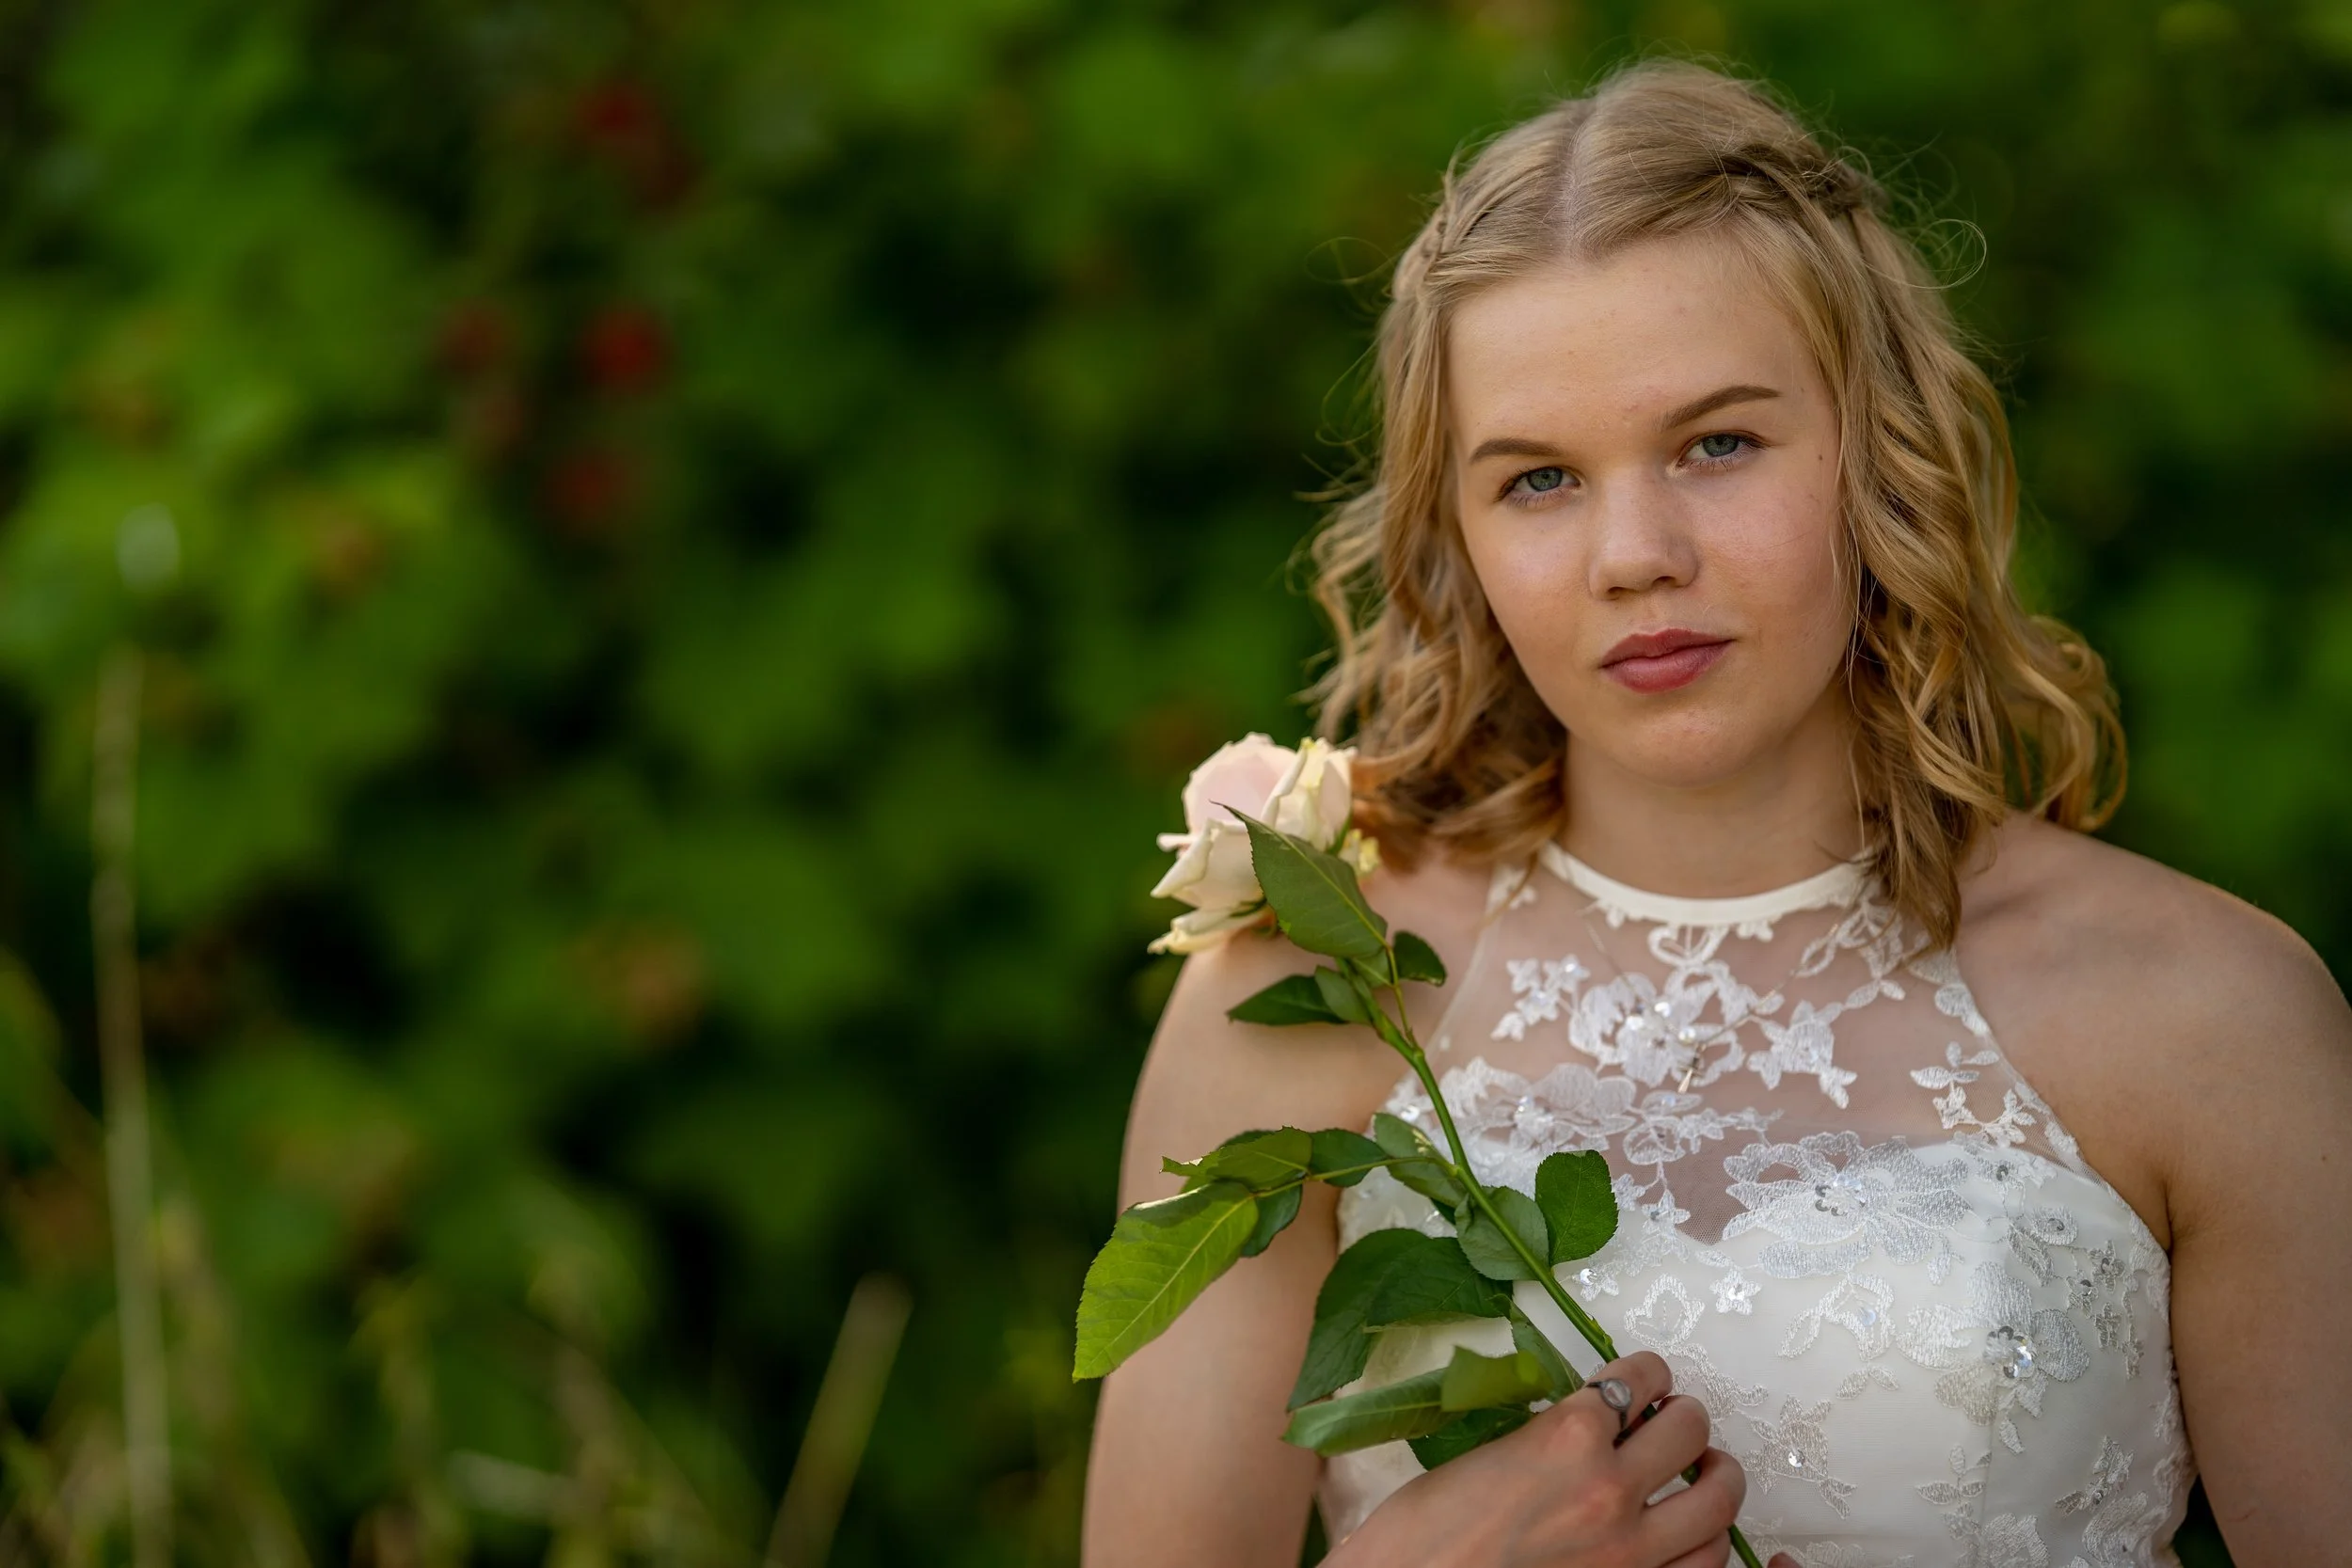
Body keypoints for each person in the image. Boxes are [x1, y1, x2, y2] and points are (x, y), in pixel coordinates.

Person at [1080, 56, 2352, 1568]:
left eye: (1719, 444)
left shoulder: (2207, 1017)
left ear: (1880, 453)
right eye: (1540, 478)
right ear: (1458, 528)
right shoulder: (1301, 1001)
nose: (1635, 552)